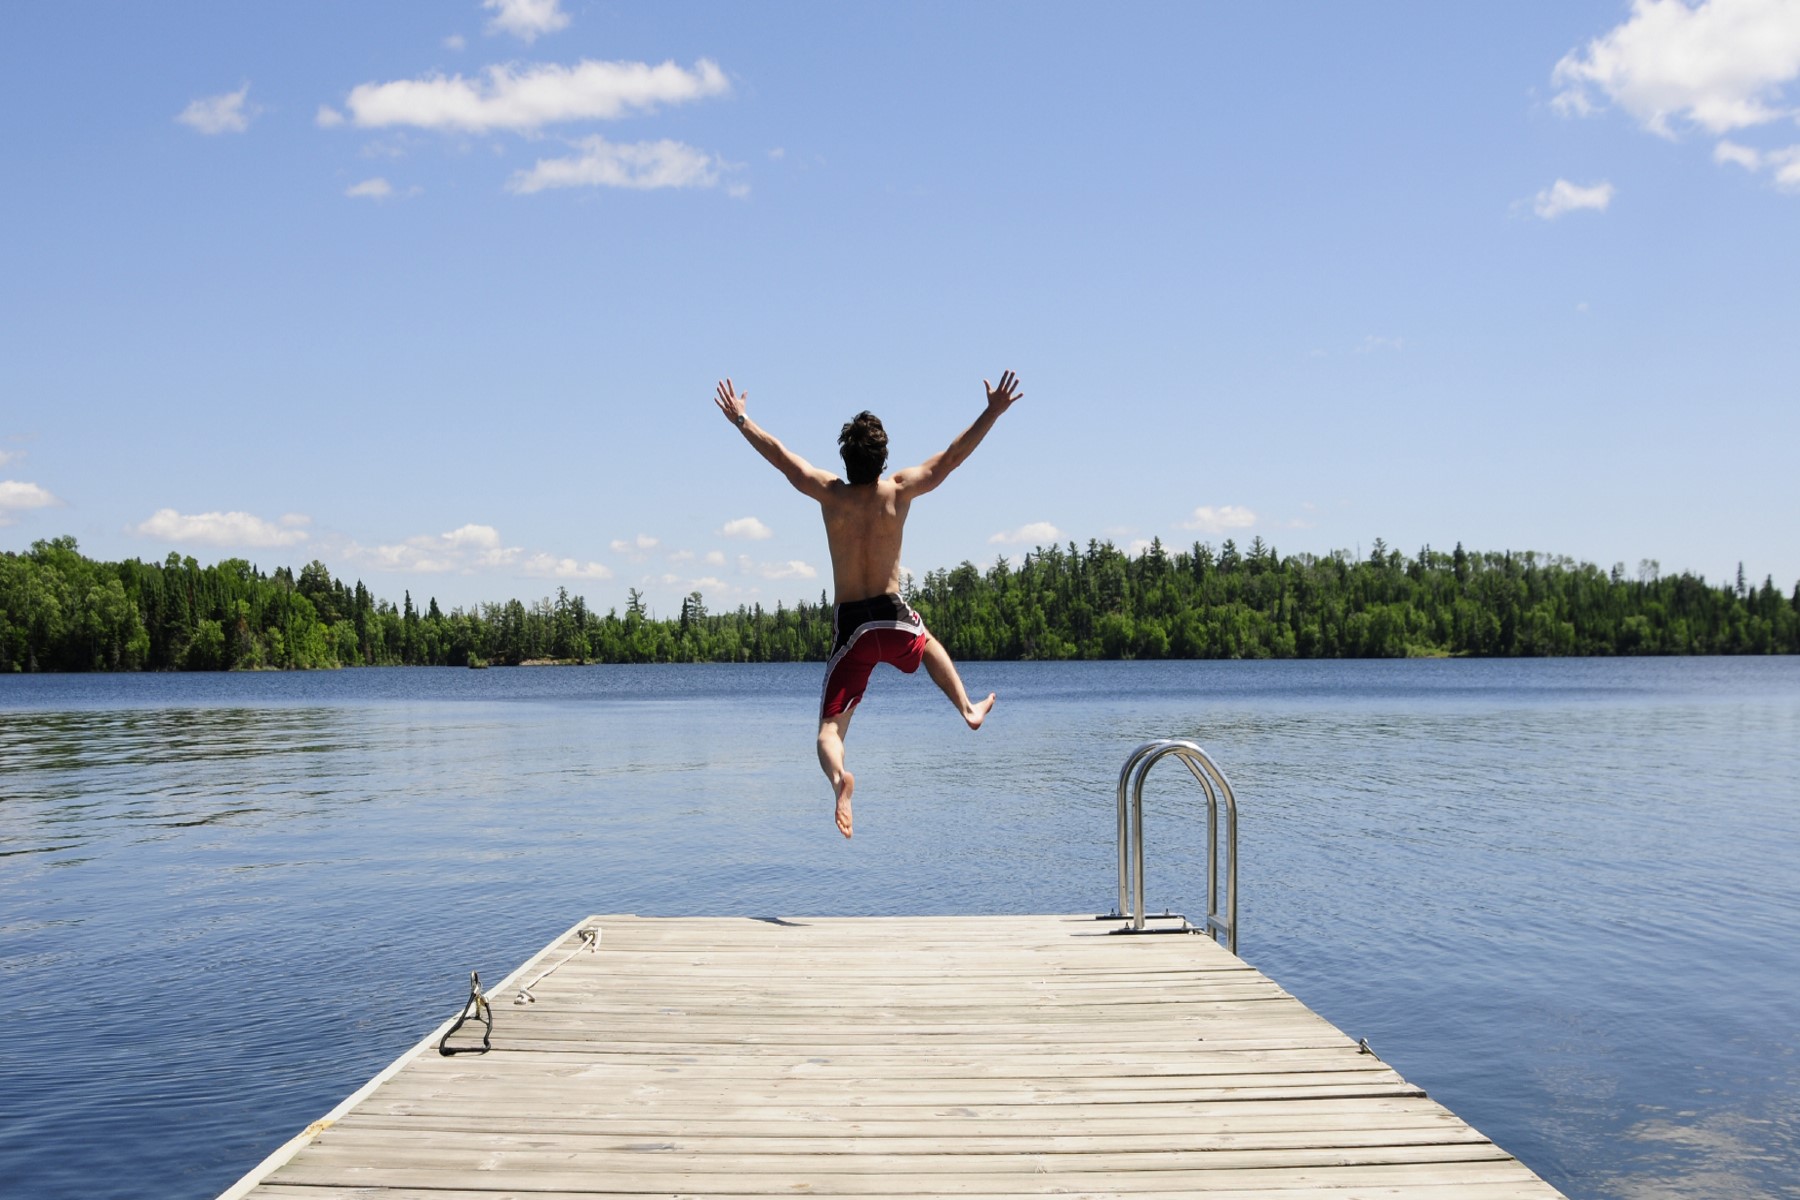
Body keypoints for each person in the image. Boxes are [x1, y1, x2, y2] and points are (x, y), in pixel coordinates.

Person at [714, 370, 1024, 838]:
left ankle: (841, 779)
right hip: (893, 617)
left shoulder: (830, 493)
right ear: (884, 458)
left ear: (845, 456)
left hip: (852, 629)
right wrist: (992, 412)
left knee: (829, 732)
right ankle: (966, 707)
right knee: (928, 641)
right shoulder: (898, 490)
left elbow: (781, 459)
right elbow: (951, 460)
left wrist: (742, 420)